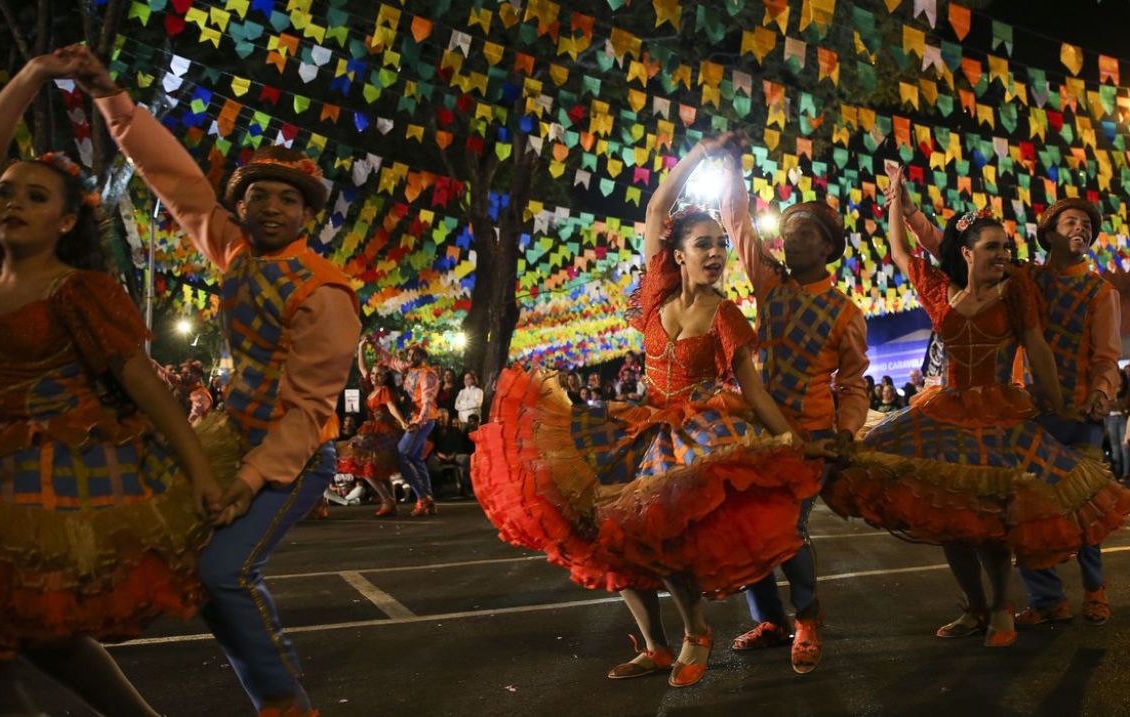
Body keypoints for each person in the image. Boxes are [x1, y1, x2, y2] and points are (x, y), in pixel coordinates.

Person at [472, 133, 832, 689]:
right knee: (604, 534)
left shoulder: (727, 317)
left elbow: (755, 392)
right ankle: (656, 646)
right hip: (639, 427)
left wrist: (792, 441)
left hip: (696, 436)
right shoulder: (657, 294)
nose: (716, 254)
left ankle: (696, 633)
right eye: (703, 244)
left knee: (665, 537)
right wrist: (702, 152)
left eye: (721, 245)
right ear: (678, 254)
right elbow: (658, 208)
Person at [0, 51, 221, 716]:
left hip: (54, 470)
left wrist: (200, 472)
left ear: (65, 222)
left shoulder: (79, 290)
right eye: (7, 193)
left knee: (29, 628)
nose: (12, 202)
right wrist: (33, 74)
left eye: (35, 196)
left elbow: (142, 382)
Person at [75, 46, 361, 717]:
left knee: (223, 572)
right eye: (257, 194)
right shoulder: (233, 250)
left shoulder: (324, 291)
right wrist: (111, 98)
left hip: (293, 456)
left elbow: (308, 410)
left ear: (306, 215)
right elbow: (174, 179)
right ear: (238, 204)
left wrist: (249, 479)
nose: (270, 206)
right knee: (177, 560)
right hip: (229, 434)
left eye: (287, 198)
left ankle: (286, 705)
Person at [824, 169, 1130, 649]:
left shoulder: (1021, 289)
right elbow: (905, 251)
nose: (1003, 254)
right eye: (992, 247)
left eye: (1006, 247)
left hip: (1004, 413)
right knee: (953, 517)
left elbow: (1043, 350)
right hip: (945, 413)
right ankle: (980, 606)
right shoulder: (943, 289)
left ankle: (1022, 604)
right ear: (967, 253)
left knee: (1006, 517)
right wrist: (896, 200)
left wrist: (1063, 403)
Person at [719, 143, 869, 675]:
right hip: (757, 430)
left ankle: (807, 619)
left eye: (804, 232)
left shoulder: (846, 313)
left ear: (827, 246)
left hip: (811, 438)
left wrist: (846, 432)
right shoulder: (770, 285)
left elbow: (854, 385)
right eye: (788, 231)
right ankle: (770, 621)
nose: (791, 238)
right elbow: (737, 224)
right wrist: (732, 169)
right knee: (746, 524)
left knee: (785, 528)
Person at [1013, 198, 1122, 628]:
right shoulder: (1026, 280)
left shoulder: (1101, 292)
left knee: (1083, 506)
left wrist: (1101, 391)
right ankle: (1047, 599)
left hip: (1079, 416)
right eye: (1071, 221)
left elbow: (1106, 357)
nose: (1081, 228)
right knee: (1028, 509)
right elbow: (960, 250)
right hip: (1028, 414)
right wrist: (908, 213)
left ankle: (1095, 590)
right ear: (1048, 233)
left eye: (1087, 225)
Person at [338, 344, 407, 517]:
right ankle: (391, 503)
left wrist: (402, 422)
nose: (374, 376)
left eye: (379, 374)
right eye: (374, 374)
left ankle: (387, 500)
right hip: (373, 429)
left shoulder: (384, 390)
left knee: (363, 463)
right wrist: (361, 347)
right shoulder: (372, 389)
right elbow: (363, 368)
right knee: (378, 468)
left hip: (385, 431)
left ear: (386, 377)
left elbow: (392, 408)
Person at [373, 343, 440, 516]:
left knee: (402, 455)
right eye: (408, 355)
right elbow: (391, 360)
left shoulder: (427, 375)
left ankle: (422, 497)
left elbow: (427, 402)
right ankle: (429, 502)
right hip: (415, 420)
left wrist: (418, 422)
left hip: (422, 421)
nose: (409, 358)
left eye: (413, 355)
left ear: (421, 356)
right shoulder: (409, 368)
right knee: (416, 459)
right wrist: (376, 346)